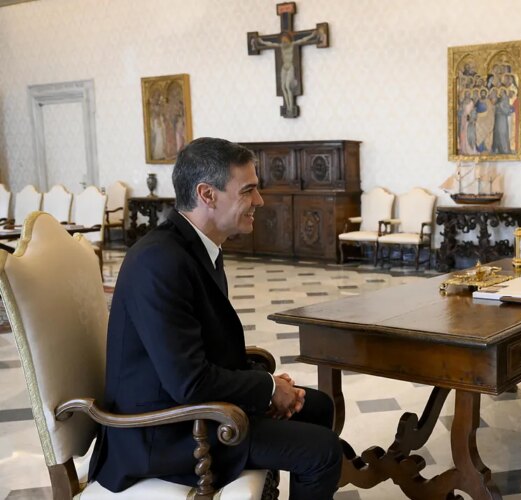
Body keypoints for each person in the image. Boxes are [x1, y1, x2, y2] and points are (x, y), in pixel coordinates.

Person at [89, 138, 342, 499]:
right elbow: (189, 382)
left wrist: (266, 384)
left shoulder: (196, 246)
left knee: (318, 406)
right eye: (249, 191)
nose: (260, 201)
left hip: (192, 409)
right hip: (163, 432)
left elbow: (204, 351)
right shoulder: (158, 261)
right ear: (207, 194)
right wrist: (268, 388)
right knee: (322, 452)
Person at [257, 28, 324, 117]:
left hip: (290, 67)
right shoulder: (281, 46)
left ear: (288, 40)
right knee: (283, 87)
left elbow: (303, 40)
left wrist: (312, 35)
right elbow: (270, 44)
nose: (284, 42)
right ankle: (288, 107)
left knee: (288, 86)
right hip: (284, 68)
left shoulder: (292, 44)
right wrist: (261, 41)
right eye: (282, 41)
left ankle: (290, 107)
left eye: (285, 40)